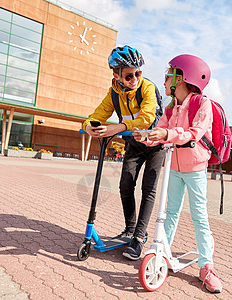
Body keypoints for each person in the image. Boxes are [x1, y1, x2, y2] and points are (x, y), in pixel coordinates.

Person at [133, 54, 223, 293]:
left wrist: (167, 135)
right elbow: (161, 130)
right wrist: (148, 136)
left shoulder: (202, 104)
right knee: (170, 211)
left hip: (195, 168)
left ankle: (206, 265)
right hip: (173, 166)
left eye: (169, 75)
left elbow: (194, 132)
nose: (164, 80)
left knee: (199, 216)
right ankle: (162, 252)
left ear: (183, 78)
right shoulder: (172, 107)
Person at [82, 45, 165, 260]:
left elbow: (147, 118)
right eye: (129, 75)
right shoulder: (114, 93)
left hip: (155, 142)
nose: (135, 78)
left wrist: (117, 128)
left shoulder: (147, 88)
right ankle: (130, 229)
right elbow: (98, 114)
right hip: (134, 144)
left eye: (138, 73)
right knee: (126, 185)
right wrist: (90, 126)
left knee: (148, 189)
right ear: (116, 74)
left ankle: (139, 237)